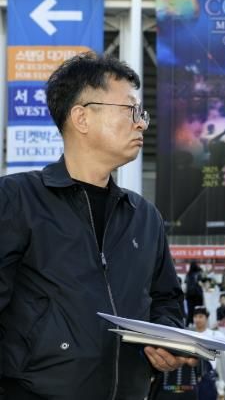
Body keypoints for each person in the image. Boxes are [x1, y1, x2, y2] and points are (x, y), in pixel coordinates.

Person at [0, 53, 194, 400]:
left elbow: (166, 299)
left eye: (141, 113)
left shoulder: (144, 217)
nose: (141, 124)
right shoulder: (17, 199)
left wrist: (165, 338)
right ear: (82, 118)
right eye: (130, 110)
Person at [185, 261, 206, 325]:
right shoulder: (199, 273)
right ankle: (199, 322)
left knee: (190, 309)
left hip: (189, 294)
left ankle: (189, 322)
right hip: (197, 294)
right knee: (198, 309)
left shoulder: (188, 274)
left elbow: (186, 285)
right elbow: (200, 283)